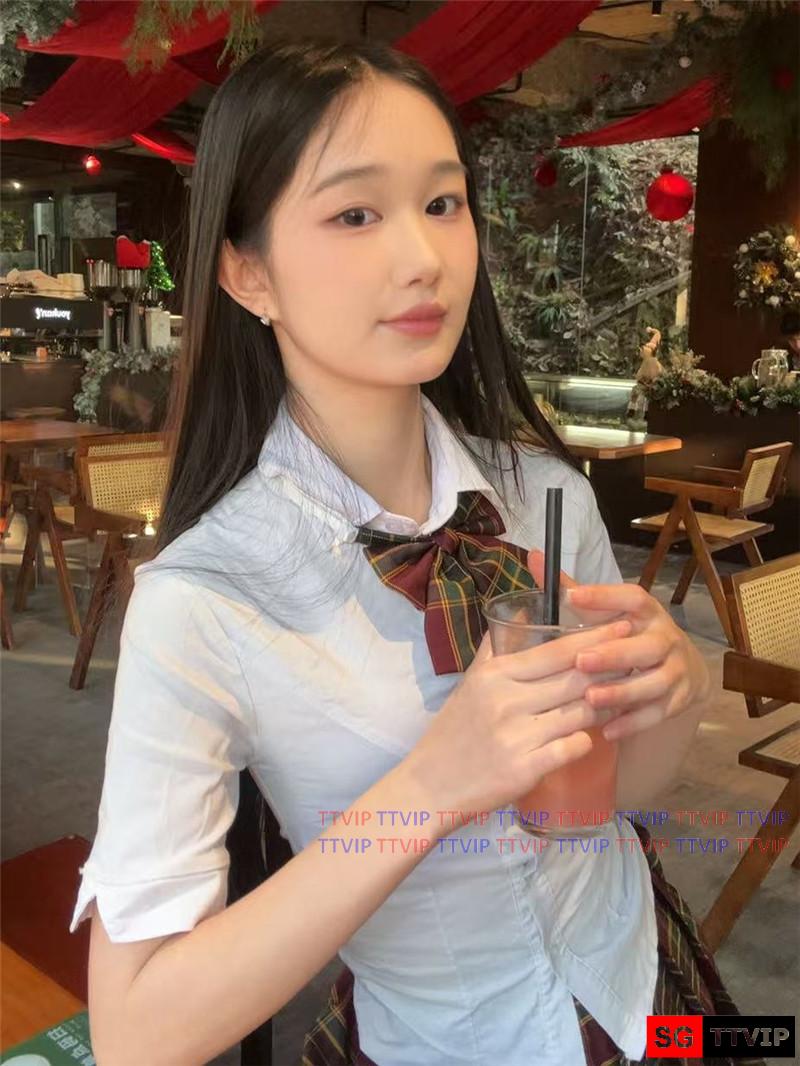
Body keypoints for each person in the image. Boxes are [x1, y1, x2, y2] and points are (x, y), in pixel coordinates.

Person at [70, 39, 763, 1066]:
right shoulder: (202, 600)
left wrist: (677, 693)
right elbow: (135, 1033)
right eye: (355, 213)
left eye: (442, 203)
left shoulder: (547, 498)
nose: (424, 256)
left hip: (646, 990)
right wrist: (430, 786)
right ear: (247, 271)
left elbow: (610, 801)